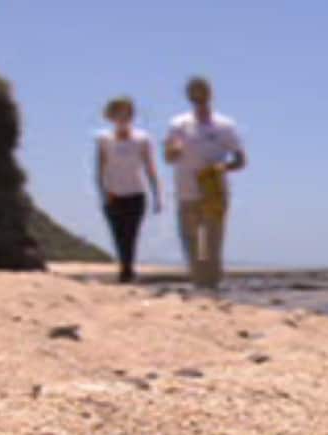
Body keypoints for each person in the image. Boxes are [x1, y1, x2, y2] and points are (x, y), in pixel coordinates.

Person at [164, 76, 247, 289]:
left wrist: (222, 167)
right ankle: (199, 286)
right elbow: (168, 157)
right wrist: (174, 150)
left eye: (203, 92)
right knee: (191, 243)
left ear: (210, 94)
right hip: (186, 190)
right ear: (189, 96)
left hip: (214, 191)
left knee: (213, 244)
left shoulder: (225, 125)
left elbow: (241, 160)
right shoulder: (178, 124)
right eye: (194, 93)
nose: (199, 97)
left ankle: (212, 288)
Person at [96, 96, 161, 283]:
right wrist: (103, 192)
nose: (122, 117)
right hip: (113, 194)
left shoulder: (142, 139)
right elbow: (100, 169)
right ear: (111, 116)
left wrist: (156, 194)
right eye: (118, 113)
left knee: (131, 234)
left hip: (136, 193)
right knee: (118, 234)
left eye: (126, 113)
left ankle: (127, 271)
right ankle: (125, 269)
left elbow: (150, 167)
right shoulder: (104, 139)